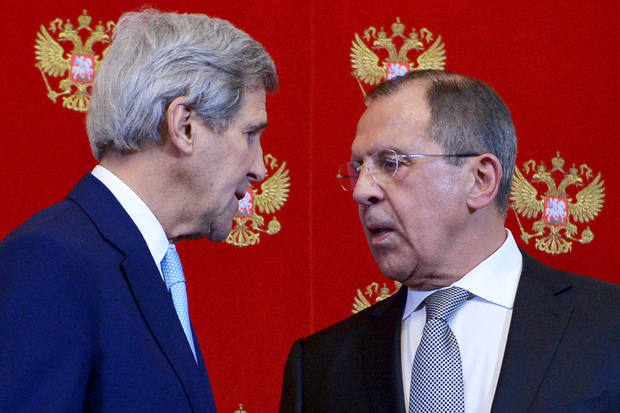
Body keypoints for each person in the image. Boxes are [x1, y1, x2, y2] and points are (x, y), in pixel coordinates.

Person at [279, 70, 620, 412]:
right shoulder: (320, 367)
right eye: (358, 169)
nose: (362, 191)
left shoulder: (609, 325)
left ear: (480, 180)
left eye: (391, 163)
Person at [0, 9, 277, 412]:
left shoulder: (150, 263)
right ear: (184, 126)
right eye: (250, 134)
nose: (260, 168)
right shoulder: (50, 262)